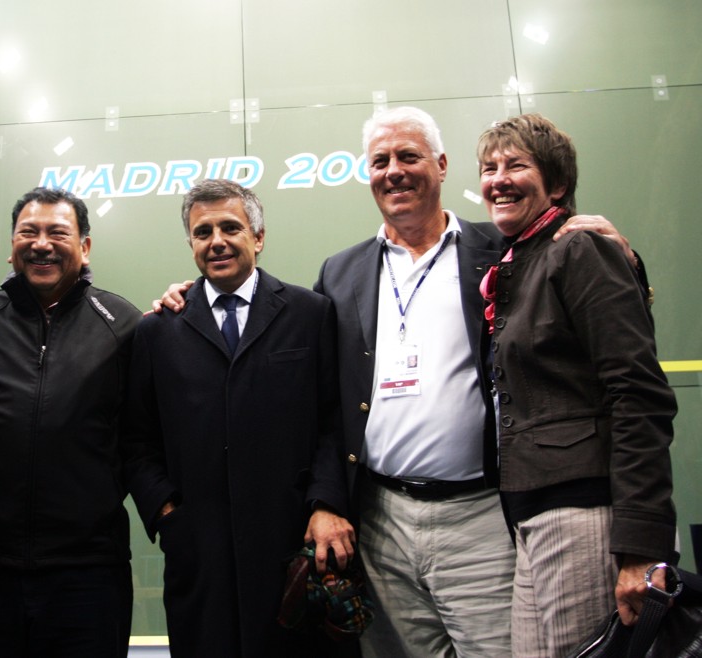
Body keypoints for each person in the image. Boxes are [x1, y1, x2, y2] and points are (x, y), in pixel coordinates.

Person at [156, 108, 642, 658]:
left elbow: (588, 295)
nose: (394, 171)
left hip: (479, 514)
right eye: (380, 161)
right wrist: (193, 299)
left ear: (441, 165)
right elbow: (319, 399)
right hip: (380, 520)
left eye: (408, 156)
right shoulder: (340, 273)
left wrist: (615, 250)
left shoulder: (500, 248)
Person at [123, 179, 357, 657]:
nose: (217, 241)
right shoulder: (158, 330)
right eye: (202, 232)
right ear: (191, 244)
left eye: (231, 227)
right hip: (200, 553)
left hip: (293, 543)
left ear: (259, 237)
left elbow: (334, 422)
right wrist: (167, 514)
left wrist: (326, 503)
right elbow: (135, 439)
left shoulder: (310, 314)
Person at [476, 113, 676, 657]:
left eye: (516, 165)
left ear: (558, 183)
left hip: (585, 512)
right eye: (489, 168)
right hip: (529, 513)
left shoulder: (580, 248)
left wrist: (641, 547)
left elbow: (638, 394)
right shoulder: (517, 262)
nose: (499, 179)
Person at [0, 187, 140, 657]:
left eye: (58, 233)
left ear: (85, 247)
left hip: (87, 575)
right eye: (28, 232)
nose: (41, 244)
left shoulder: (124, 326)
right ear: (12, 246)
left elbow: (142, 437)